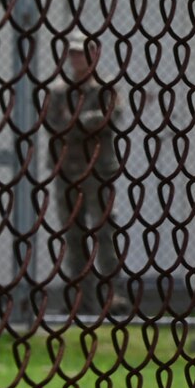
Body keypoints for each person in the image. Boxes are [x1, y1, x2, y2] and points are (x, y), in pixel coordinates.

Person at [41, 32, 129, 316]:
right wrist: (82, 123)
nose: (77, 58)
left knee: (105, 231)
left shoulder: (106, 88)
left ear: (95, 54)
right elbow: (53, 125)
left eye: (82, 53)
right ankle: (80, 297)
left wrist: (73, 122)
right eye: (73, 54)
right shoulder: (57, 91)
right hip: (66, 169)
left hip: (99, 169)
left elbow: (104, 120)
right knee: (73, 233)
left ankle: (111, 295)